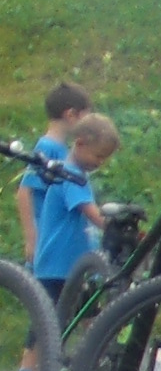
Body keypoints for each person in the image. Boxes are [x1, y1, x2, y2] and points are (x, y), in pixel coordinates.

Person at [31, 112, 118, 294]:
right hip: (59, 269)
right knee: (57, 312)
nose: (101, 162)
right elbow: (92, 213)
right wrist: (117, 229)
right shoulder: (70, 177)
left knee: (86, 309)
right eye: (98, 156)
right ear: (79, 144)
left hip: (74, 267)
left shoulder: (76, 175)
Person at [14, 78, 89, 262]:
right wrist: (31, 238)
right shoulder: (48, 148)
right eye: (86, 117)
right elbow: (25, 191)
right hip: (46, 239)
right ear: (71, 115)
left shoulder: (62, 149)